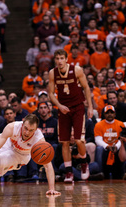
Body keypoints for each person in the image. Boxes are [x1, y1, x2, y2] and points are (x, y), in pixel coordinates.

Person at [48, 49, 93, 182]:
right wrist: (59, 106)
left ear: (66, 59)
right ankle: (69, 172)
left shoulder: (77, 70)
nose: (59, 61)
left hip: (78, 107)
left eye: (62, 58)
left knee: (79, 140)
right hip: (63, 110)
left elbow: (86, 87)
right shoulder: (52, 73)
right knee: (65, 142)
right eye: (57, 58)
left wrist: (90, 106)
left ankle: (84, 162)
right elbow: (51, 93)